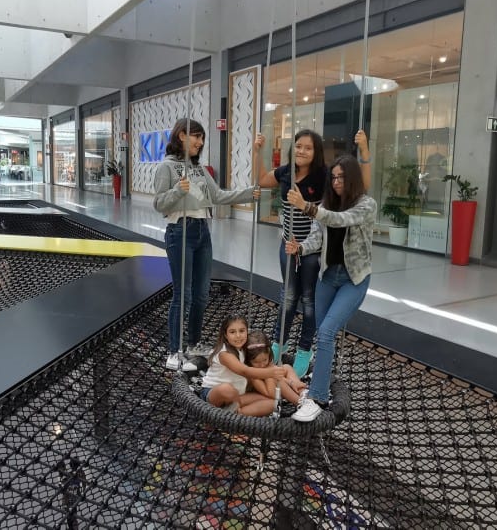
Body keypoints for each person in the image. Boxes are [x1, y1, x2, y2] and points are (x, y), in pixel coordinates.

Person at [253, 128, 371, 377]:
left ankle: (304, 350)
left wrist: (364, 150)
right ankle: (279, 344)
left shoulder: (323, 176)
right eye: (298, 146)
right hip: (288, 246)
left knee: (308, 300)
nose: (302, 151)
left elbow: (363, 185)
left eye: (308, 148)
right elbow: (262, 179)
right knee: (287, 296)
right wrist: (257, 152)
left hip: (313, 249)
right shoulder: (286, 172)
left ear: (316, 152)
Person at [153, 118, 260, 372]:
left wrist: (249, 193)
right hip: (180, 231)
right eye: (196, 136)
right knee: (183, 294)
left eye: (202, 138)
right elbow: (159, 204)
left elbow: (218, 196)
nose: (200, 142)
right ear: (181, 135)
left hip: (202, 231)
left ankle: (193, 343)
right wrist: (178, 191)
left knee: (201, 294)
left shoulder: (199, 169)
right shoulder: (166, 167)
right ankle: (174, 351)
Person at [286, 155, 376, 422]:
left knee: (326, 332)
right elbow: (316, 238)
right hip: (328, 277)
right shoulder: (326, 204)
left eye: (342, 177)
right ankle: (321, 380)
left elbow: (340, 220)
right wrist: (300, 248)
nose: (337, 182)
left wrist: (307, 207)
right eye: (333, 177)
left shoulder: (366, 205)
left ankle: (317, 398)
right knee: (321, 333)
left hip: (353, 280)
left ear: (353, 179)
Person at [198, 315, 287, 417]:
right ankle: (227, 413)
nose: (238, 336)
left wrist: (283, 377)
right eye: (232, 332)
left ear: (247, 332)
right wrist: (269, 373)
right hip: (213, 394)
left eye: (241, 331)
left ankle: (235, 415)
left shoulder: (246, 348)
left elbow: (263, 357)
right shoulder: (224, 353)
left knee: (273, 403)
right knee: (226, 389)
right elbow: (244, 371)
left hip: (237, 396)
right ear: (225, 335)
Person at [244, 330, 307, 407]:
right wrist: (269, 375)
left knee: (286, 367)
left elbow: (280, 376)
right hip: (267, 396)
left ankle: (302, 392)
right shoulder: (252, 375)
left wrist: (291, 383)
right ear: (248, 360)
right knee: (274, 377)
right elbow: (270, 394)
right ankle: (299, 402)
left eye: (265, 360)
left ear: (268, 353)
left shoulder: (268, 363)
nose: (262, 365)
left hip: (275, 388)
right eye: (256, 362)